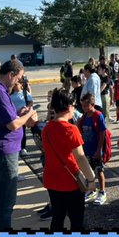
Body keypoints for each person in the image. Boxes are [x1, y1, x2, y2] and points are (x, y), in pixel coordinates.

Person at [0, 59, 39, 230]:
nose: (19, 82)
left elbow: (4, 117)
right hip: (3, 152)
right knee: (5, 201)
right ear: (11, 74)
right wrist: (29, 114)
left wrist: (19, 113)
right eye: (18, 78)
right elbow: (12, 125)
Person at [41, 87, 98, 229]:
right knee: (76, 219)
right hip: (71, 181)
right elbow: (80, 157)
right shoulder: (71, 129)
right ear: (68, 107)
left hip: (52, 179)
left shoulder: (47, 129)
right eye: (73, 105)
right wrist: (91, 179)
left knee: (58, 217)